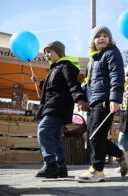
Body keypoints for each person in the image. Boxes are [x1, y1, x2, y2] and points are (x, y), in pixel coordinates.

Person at [75, 26, 128, 183]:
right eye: (98, 36)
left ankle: (97, 170)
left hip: (105, 99)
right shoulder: (93, 59)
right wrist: (84, 100)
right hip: (93, 102)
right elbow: (89, 82)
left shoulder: (112, 53)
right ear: (92, 41)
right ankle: (120, 154)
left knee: (96, 136)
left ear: (110, 39)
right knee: (93, 137)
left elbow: (117, 75)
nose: (102, 38)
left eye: (105, 35)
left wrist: (115, 99)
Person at [32, 40, 89, 178]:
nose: (46, 54)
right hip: (53, 105)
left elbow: (72, 84)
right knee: (56, 138)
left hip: (57, 106)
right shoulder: (54, 69)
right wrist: (40, 83)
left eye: (49, 51)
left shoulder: (65, 66)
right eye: (45, 52)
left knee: (43, 131)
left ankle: (50, 164)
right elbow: (52, 88)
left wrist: (80, 98)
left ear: (59, 52)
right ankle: (61, 167)